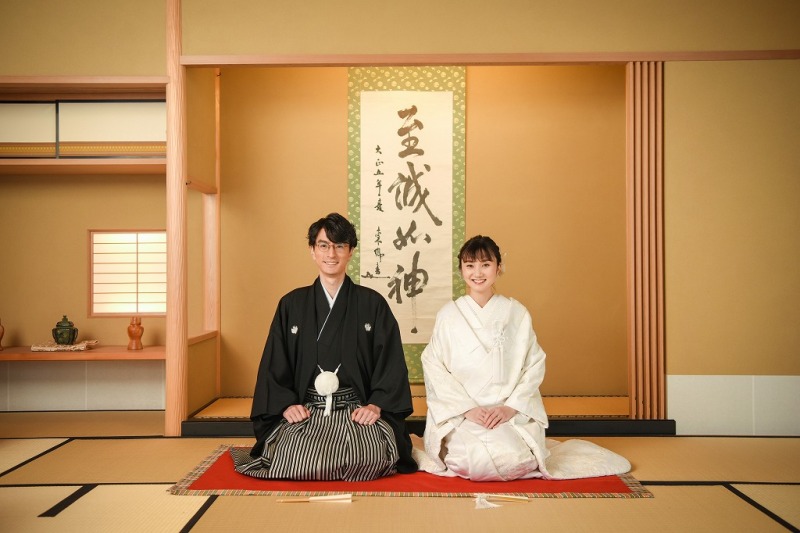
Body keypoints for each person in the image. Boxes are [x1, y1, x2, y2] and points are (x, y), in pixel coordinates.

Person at [417, 235, 630, 481]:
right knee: (471, 462)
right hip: (463, 415)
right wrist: (467, 410)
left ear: (499, 267)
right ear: (461, 269)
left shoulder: (516, 312)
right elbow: (434, 366)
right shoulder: (448, 315)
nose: (478, 272)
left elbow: (534, 363)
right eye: (470, 265)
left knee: (513, 459)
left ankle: (512, 437)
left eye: (485, 264)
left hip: (507, 414)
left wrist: (510, 407)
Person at [231, 213, 418, 481]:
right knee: (290, 454)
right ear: (312, 251)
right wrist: (286, 405)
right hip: (308, 409)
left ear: (351, 251)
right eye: (323, 245)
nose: (332, 253)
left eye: (340, 245)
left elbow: (391, 364)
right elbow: (275, 364)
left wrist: (376, 405)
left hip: (355, 410)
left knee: (371, 456)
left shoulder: (372, 304)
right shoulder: (291, 304)